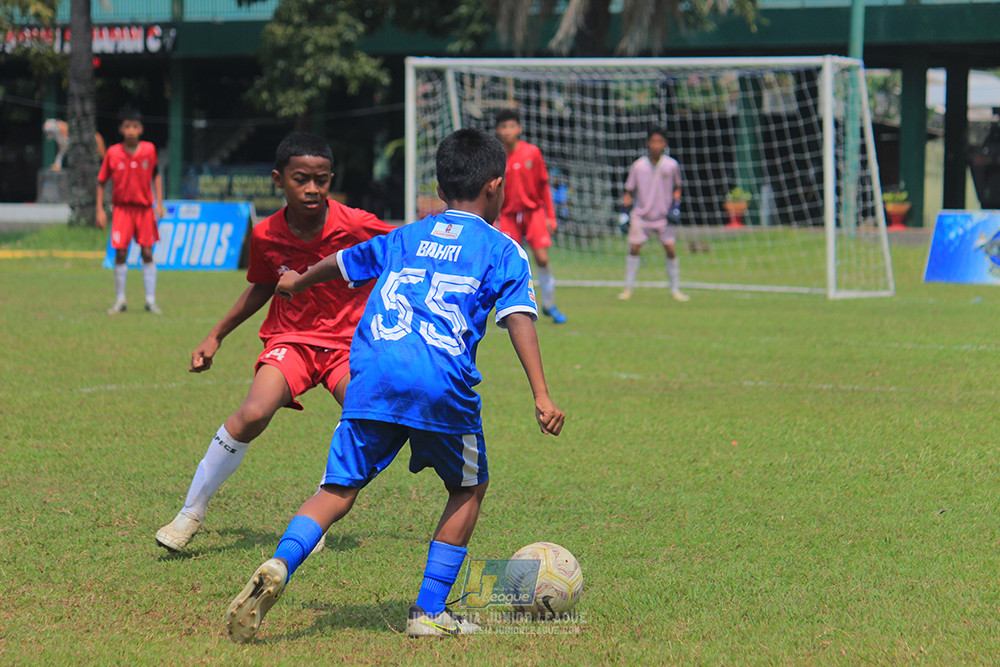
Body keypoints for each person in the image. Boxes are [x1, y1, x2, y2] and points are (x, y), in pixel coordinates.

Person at [225, 128, 565, 643]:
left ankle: (280, 561)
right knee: (469, 486)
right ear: (496, 187)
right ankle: (429, 610)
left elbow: (342, 262)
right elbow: (519, 320)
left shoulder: (406, 235)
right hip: (441, 384)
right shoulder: (504, 250)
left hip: (373, 375)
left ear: (439, 182)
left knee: (337, 490)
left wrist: (295, 282)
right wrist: (541, 394)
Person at [154, 133, 394, 553]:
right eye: (301, 179)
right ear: (277, 180)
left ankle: (312, 517)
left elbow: (405, 246)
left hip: (348, 346)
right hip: (292, 340)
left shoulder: (354, 223)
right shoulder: (265, 234)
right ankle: (190, 513)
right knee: (253, 412)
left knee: (366, 415)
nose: (312, 188)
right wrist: (215, 336)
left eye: (321, 179)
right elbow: (262, 286)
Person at [494, 108, 567, 324]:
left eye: (511, 126)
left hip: (533, 213)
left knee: (542, 258)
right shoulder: (497, 156)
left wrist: (550, 215)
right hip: (507, 215)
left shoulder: (532, 153)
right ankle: (509, 308)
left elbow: (544, 186)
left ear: (519, 129)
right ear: (498, 131)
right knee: (511, 263)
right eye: (503, 127)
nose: (508, 131)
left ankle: (549, 304)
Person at [97, 108, 165, 314]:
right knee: (120, 252)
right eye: (127, 126)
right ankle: (120, 300)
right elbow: (101, 181)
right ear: (121, 129)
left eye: (135, 126)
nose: (131, 130)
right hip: (122, 210)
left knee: (147, 251)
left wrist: (159, 203)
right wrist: (99, 209)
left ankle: (151, 300)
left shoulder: (149, 150)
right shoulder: (113, 153)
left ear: (141, 129)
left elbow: (156, 175)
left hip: (144, 210)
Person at [619, 125, 690, 302]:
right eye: (653, 141)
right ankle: (628, 289)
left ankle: (675, 290)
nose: (656, 145)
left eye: (659, 141)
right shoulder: (638, 166)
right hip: (641, 216)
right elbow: (628, 191)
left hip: (663, 216)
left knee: (671, 249)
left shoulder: (671, 165)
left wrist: (676, 207)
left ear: (664, 143)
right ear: (648, 143)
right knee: (634, 248)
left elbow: (677, 188)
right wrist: (624, 213)